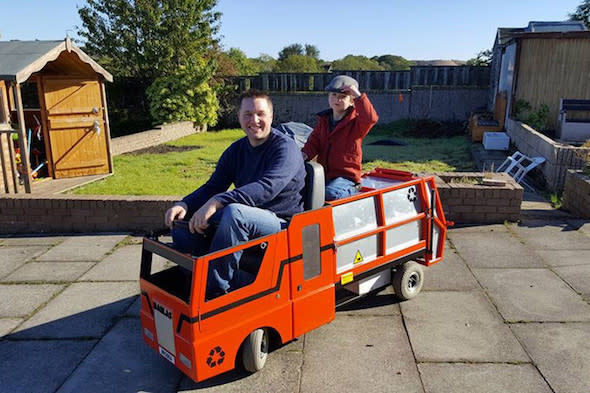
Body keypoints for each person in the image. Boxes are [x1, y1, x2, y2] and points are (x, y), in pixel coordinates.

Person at [164, 89, 306, 296]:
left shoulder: (286, 149)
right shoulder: (236, 150)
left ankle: (215, 294)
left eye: (260, 114)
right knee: (183, 221)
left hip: (282, 222)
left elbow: (267, 188)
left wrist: (216, 202)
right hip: (249, 215)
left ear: (271, 117)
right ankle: (193, 278)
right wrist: (184, 204)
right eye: (248, 114)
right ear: (239, 117)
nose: (254, 120)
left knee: (234, 213)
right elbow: (214, 186)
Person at [301, 75, 378, 200]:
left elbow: (370, 118)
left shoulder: (357, 124)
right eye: (334, 95)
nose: (337, 99)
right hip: (323, 174)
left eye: (343, 97)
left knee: (328, 195)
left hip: (346, 178)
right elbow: (314, 143)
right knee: (299, 189)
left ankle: (353, 188)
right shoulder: (324, 121)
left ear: (352, 101)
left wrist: (358, 95)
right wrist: (304, 155)